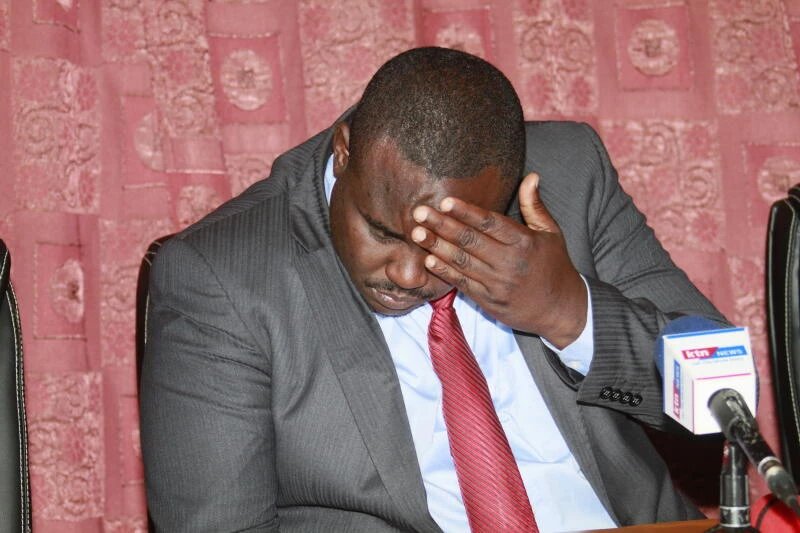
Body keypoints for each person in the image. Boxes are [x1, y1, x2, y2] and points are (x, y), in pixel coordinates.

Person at [140, 47, 726, 532]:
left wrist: (569, 312)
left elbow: (726, 394)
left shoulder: (570, 176)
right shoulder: (223, 275)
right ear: (344, 152)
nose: (408, 274)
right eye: (381, 231)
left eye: (448, 244)